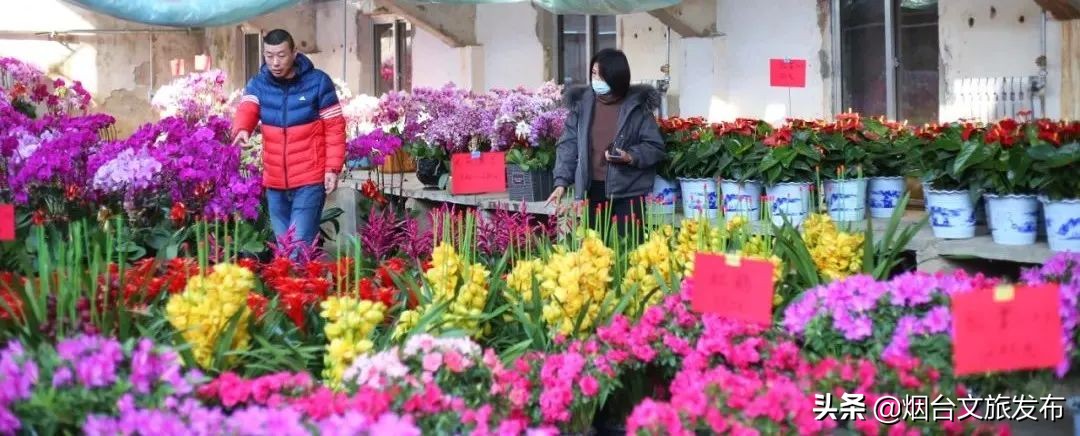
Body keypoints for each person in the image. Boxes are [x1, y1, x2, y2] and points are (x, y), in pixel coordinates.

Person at [232, 29, 346, 249]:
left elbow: (334, 128)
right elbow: (247, 106)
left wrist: (332, 168)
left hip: (309, 179)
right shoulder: (258, 84)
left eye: (281, 55)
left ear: (294, 52)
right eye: (269, 55)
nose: (275, 62)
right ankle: (305, 283)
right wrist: (242, 128)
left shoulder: (318, 82)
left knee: (298, 247)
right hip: (275, 182)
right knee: (285, 249)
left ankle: (301, 281)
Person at [547, 48, 665, 237]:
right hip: (592, 190)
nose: (596, 80)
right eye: (594, 73)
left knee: (628, 253)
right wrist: (561, 182)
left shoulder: (637, 107)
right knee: (596, 253)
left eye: (602, 76)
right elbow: (568, 145)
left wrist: (630, 156)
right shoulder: (582, 105)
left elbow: (655, 147)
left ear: (616, 77)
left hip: (629, 191)